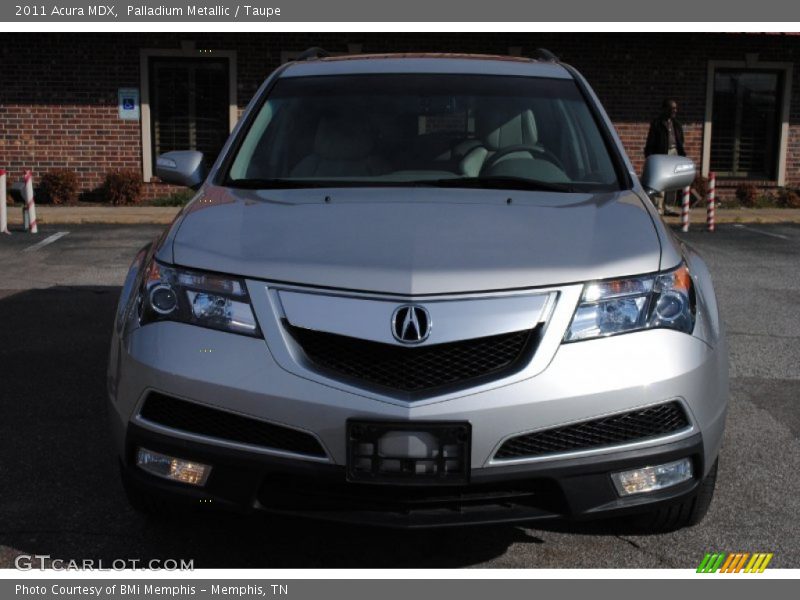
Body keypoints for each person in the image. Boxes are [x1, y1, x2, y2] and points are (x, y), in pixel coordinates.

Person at [644, 99, 686, 214]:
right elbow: (651, 141)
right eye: (672, 108)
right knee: (660, 181)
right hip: (661, 154)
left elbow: (680, 140)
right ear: (665, 109)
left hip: (674, 152)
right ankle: (658, 208)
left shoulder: (676, 124)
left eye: (675, 108)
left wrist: (681, 154)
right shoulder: (657, 124)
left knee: (672, 182)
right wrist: (649, 156)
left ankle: (669, 207)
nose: (675, 111)